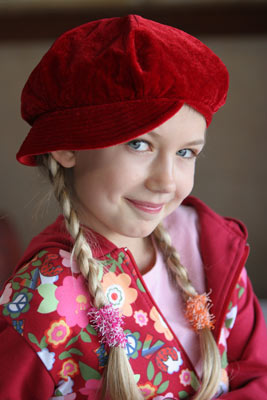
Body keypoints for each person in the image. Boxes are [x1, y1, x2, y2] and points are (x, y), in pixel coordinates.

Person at [0, 15, 266, 400]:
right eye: (139, 144)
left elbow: (257, 374)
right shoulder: (42, 304)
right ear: (67, 145)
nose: (166, 181)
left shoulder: (212, 247)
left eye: (186, 152)